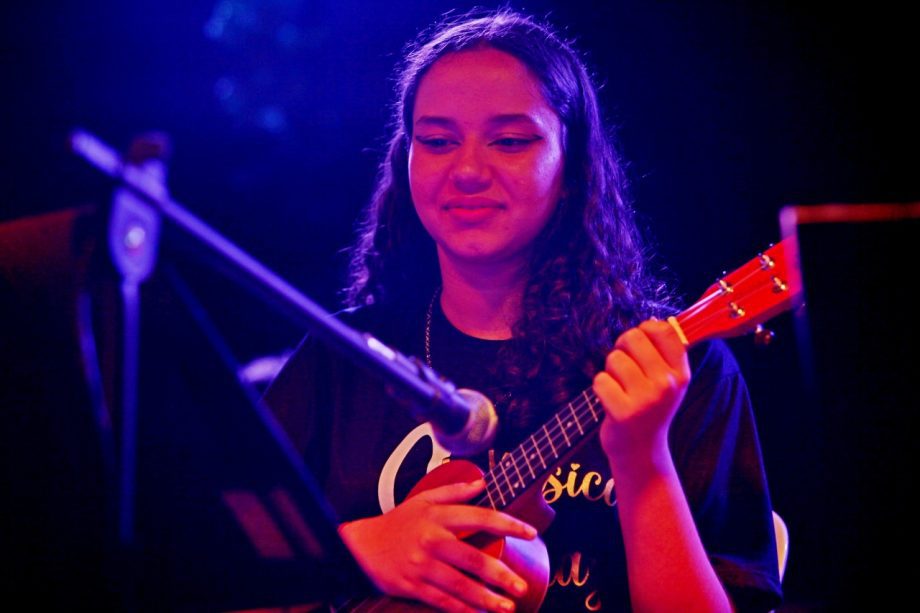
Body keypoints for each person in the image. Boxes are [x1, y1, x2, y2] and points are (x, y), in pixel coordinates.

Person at [263, 8, 783, 612]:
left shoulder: (678, 370)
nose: (467, 171)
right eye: (436, 141)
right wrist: (356, 551)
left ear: (571, 168)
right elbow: (220, 577)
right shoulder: (346, 358)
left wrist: (643, 459)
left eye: (510, 141)